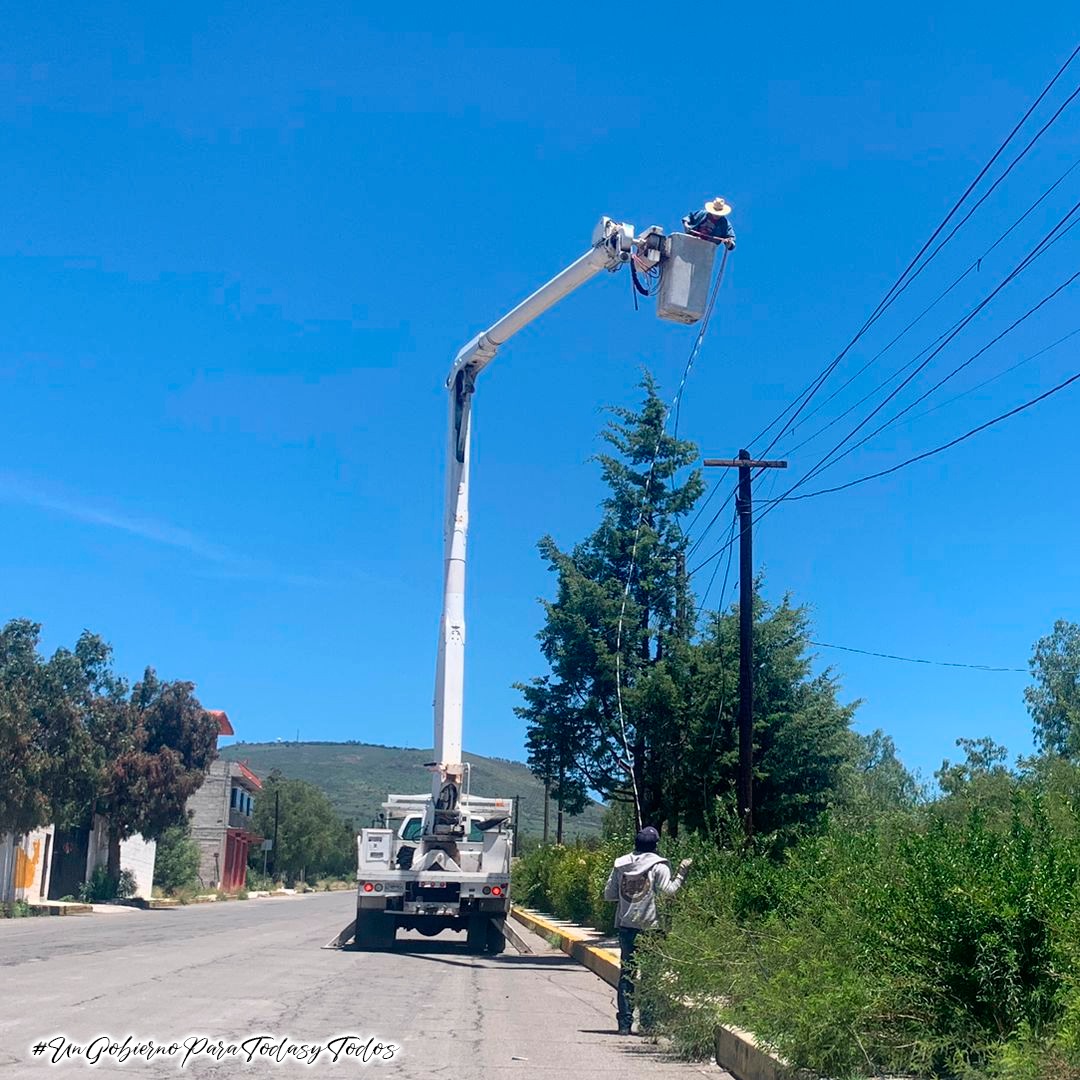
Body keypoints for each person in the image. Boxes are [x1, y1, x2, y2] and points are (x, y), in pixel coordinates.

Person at [603, 826, 692, 1035]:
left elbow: (609, 894)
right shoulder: (659, 866)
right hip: (652, 929)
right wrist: (682, 873)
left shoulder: (620, 864)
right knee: (651, 976)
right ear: (655, 845)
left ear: (636, 843)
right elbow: (669, 892)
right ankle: (648, 1023)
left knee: (627, 975)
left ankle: (624, 1024)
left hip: (627, 928)